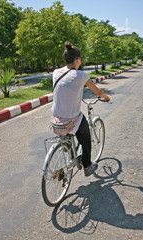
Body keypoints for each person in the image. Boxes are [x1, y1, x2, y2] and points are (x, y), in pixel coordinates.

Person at [51, 41, 110, 177]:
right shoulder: (81, 75)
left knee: (73, 121)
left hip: (56, 118)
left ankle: (66, 143)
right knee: (86, 138)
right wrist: (106, 98)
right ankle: (88, 165)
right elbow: (98, 92)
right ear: (77, 60)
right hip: (71, 120)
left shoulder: (55, 72)